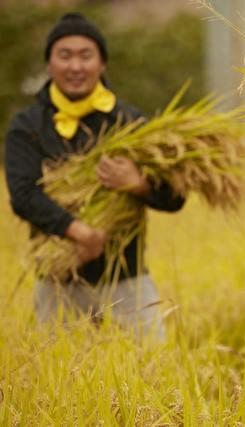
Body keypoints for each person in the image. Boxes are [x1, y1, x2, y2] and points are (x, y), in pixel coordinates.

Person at [4, 13, 184, 339]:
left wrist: (139, 183)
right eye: (65, 55)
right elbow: (23, 195)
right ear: (49, 64)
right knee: (58, 382)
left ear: (102, 64)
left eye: (86, 55)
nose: (76, 66)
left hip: (128, 283)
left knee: (152, 377)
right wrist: (78, 232)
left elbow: (176, 197)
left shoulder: (129, 122)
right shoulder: (27, 127)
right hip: (58, 283)